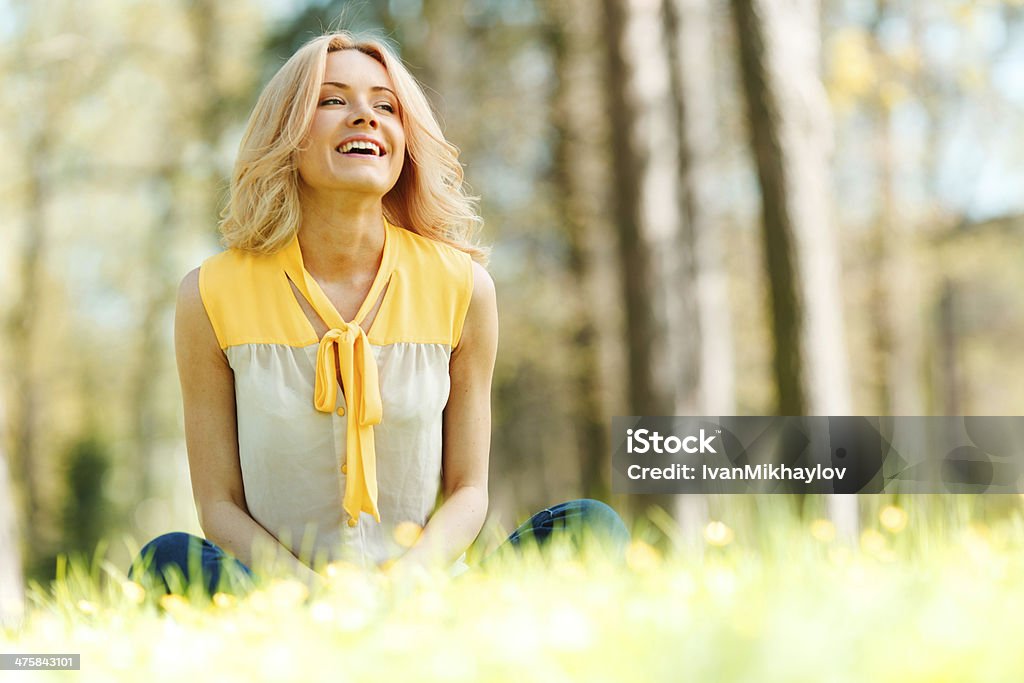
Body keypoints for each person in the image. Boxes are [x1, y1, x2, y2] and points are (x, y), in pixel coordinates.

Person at [129, 31, 628, 598]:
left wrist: (402, 592)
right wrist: (317, 596)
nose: (365, 116)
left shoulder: (465, 289)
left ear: (404, 140)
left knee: (590, 524)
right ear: (286, 133)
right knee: (166, 558)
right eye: (333, 100)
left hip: (427, 596)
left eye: (386, 106)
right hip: (282, 598)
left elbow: (469, 490)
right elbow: (219, 506)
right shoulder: (209, 295)